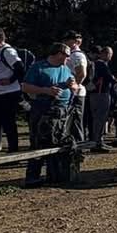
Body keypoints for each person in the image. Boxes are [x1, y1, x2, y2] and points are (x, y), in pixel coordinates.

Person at [22, 42, 75, 186]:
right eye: (67, 55)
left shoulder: (66, 69)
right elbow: (25, 86)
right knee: (38, 143)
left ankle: (54, 175)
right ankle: (32, 177)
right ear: (58, 54)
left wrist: (73, 86)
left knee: (57, 142)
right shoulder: (38, 67)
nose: (68, 59)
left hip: (63, 111)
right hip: (43, 110)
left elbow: (74, 86)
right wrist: (46, 90)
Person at [87, 45, 117, 149]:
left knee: (96, 118)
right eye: (110, 54)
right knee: (100, 118)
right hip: (101, 94)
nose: (110, 57)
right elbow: (109, 78)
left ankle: (96, 140)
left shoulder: (94, 64)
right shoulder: (101, 65)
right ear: (105, 54)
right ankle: (97, 142)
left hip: (93, 93)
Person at [64, 32, 89, 135]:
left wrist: (75, 87)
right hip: (72, 91)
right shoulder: (71, 54)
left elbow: (82, 73)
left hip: (76, 93)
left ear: (75, 42)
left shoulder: (77, 55)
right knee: (70, 122)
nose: (65, 42)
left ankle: (78, 143)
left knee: (75, 121)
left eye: (67, 40)